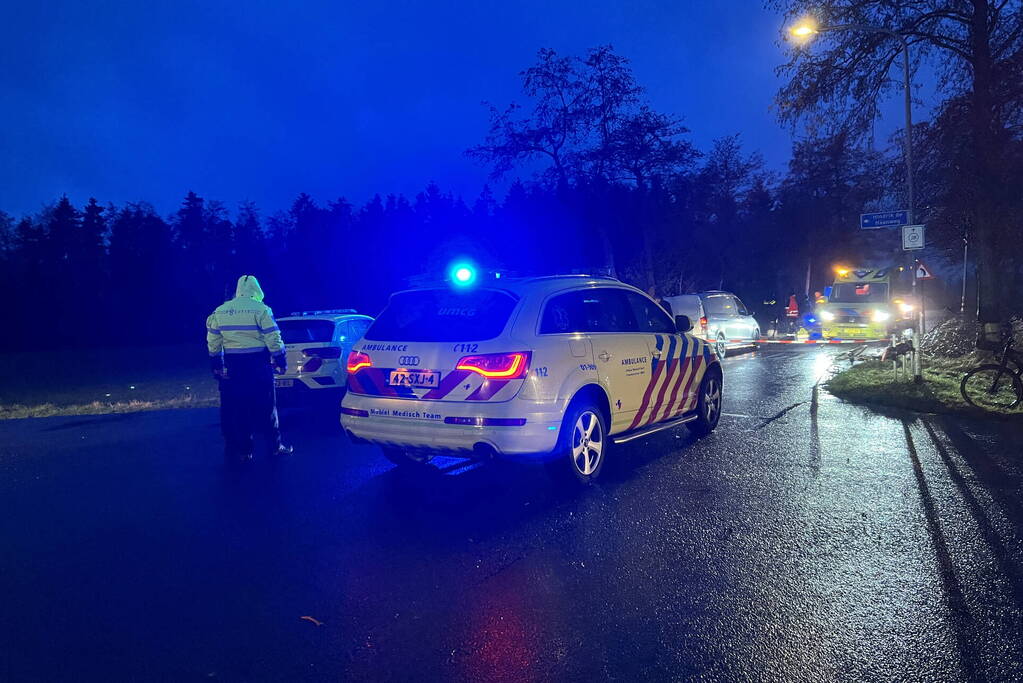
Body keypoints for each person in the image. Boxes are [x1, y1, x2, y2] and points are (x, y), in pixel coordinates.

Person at [207, 275, 293, 463]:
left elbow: (213, 341)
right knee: (268, 407)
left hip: (234, 367)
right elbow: (273, 337)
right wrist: (281, 361)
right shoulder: (262, 309)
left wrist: (217, 365)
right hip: (258, 366)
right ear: (257, 289)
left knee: (240, 409)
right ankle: (275, 446)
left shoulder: (220, 311)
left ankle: (245, 450)